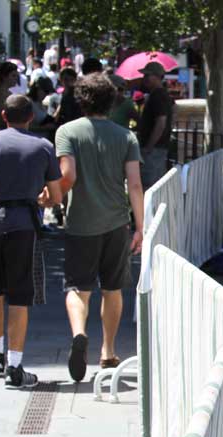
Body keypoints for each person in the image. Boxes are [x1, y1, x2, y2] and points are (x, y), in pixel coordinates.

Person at [0, 94, 63, 388]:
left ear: (4, 115)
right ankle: (15, 368)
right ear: (31, 117)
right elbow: (55, 197)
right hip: (23, 225)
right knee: (19, 295)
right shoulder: (44, 147)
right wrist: (38, 199)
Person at [55, 73, 144, 381]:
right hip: (116, 223)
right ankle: (108, 350)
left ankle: (80, 333)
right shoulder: (125, 137)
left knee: (78, 289)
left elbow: (68, 176)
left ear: (80, 99)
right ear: (112, 100)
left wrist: (52, 196)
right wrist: (140, 227)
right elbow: (134, 184)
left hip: (81, 222)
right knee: (113, 288)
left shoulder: (67, 132)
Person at [136, 61, 172, 188]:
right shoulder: (162, 94)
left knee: (150, 187)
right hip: (158, 148)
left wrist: (149, 147)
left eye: (147, 75)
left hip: (154, 150)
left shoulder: (158, 95)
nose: (144, 78)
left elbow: (161, 122)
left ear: (157, 76)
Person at [0, 61, 19, 131]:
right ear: (4, 77)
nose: (16, 78)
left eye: (17, 76)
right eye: (13, 76)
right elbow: (0, 121)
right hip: (0, 133)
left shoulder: (8, 92)